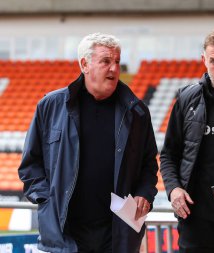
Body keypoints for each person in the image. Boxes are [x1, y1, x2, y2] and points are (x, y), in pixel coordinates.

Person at [18, 33, 158, 253]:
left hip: (118, 234)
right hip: (66, 232)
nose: (114, 69)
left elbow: (149, 165)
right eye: (105, 61)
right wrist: (48, 201)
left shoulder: (137, 112)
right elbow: (30, 165)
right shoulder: (50, 106)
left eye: (117, 62)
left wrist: (144, 193)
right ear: (85, 64)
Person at [160, 29, 214, 253]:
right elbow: (169, 154)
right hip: (196, 220)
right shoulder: (186, 99)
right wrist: (173, 190)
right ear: (204, 60)